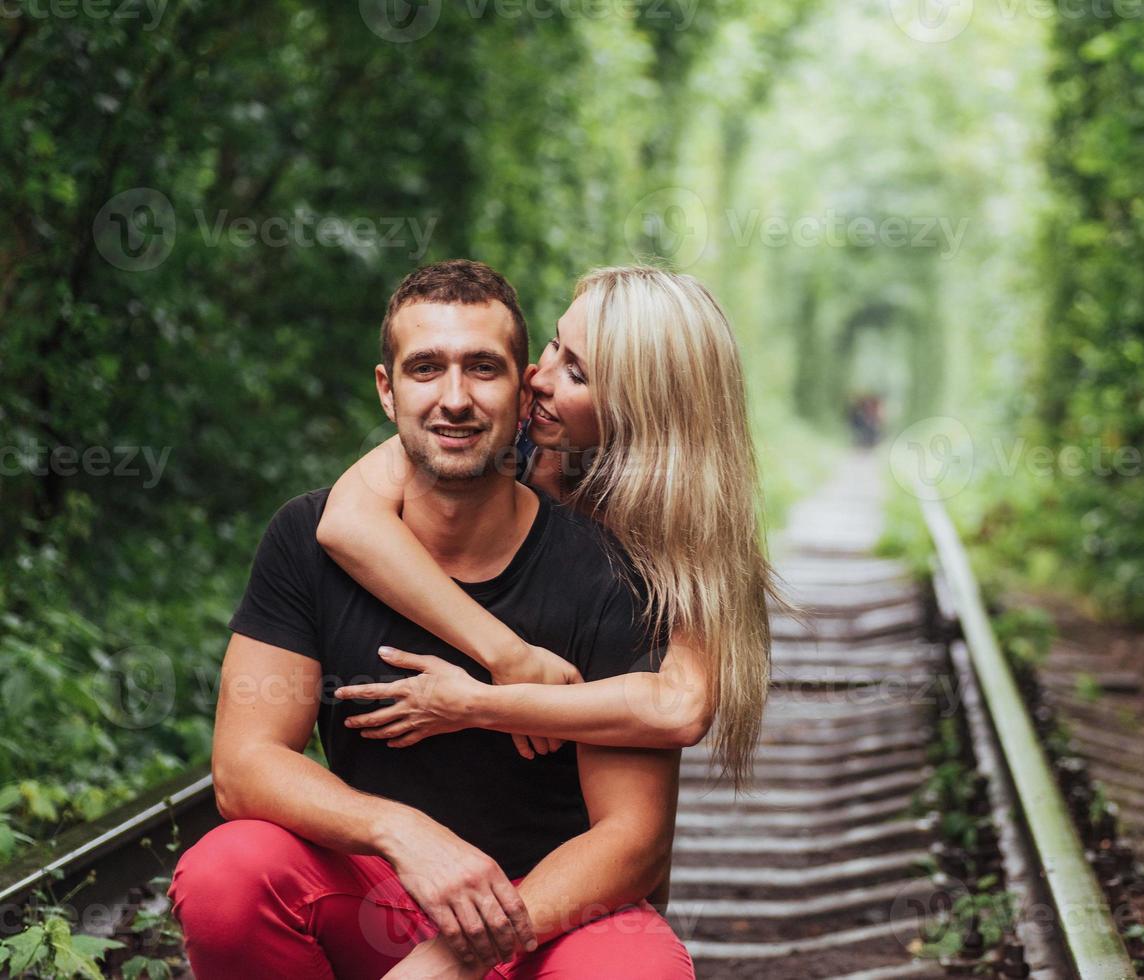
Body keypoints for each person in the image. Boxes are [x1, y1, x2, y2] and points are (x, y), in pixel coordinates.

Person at [167, 260, 735, 979]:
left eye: (491, 370)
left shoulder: (636, 560)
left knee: (635, 970)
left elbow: (671, 733)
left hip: (556, 909)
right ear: (386, 388)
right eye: (426, 368)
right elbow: (244, 764)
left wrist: (476, 704)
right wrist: (401, 829)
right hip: (387, 892)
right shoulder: (325, 524)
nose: (459, 398)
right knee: (230, 873)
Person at [313, 265, 777, 792]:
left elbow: (680, 708)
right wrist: (509, 655)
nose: (538, 377)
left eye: (576, 374)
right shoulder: (498, 440)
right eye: (556, 345)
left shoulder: (688, 526)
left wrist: (479, 705)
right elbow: (348, 521)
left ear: (644, 409)